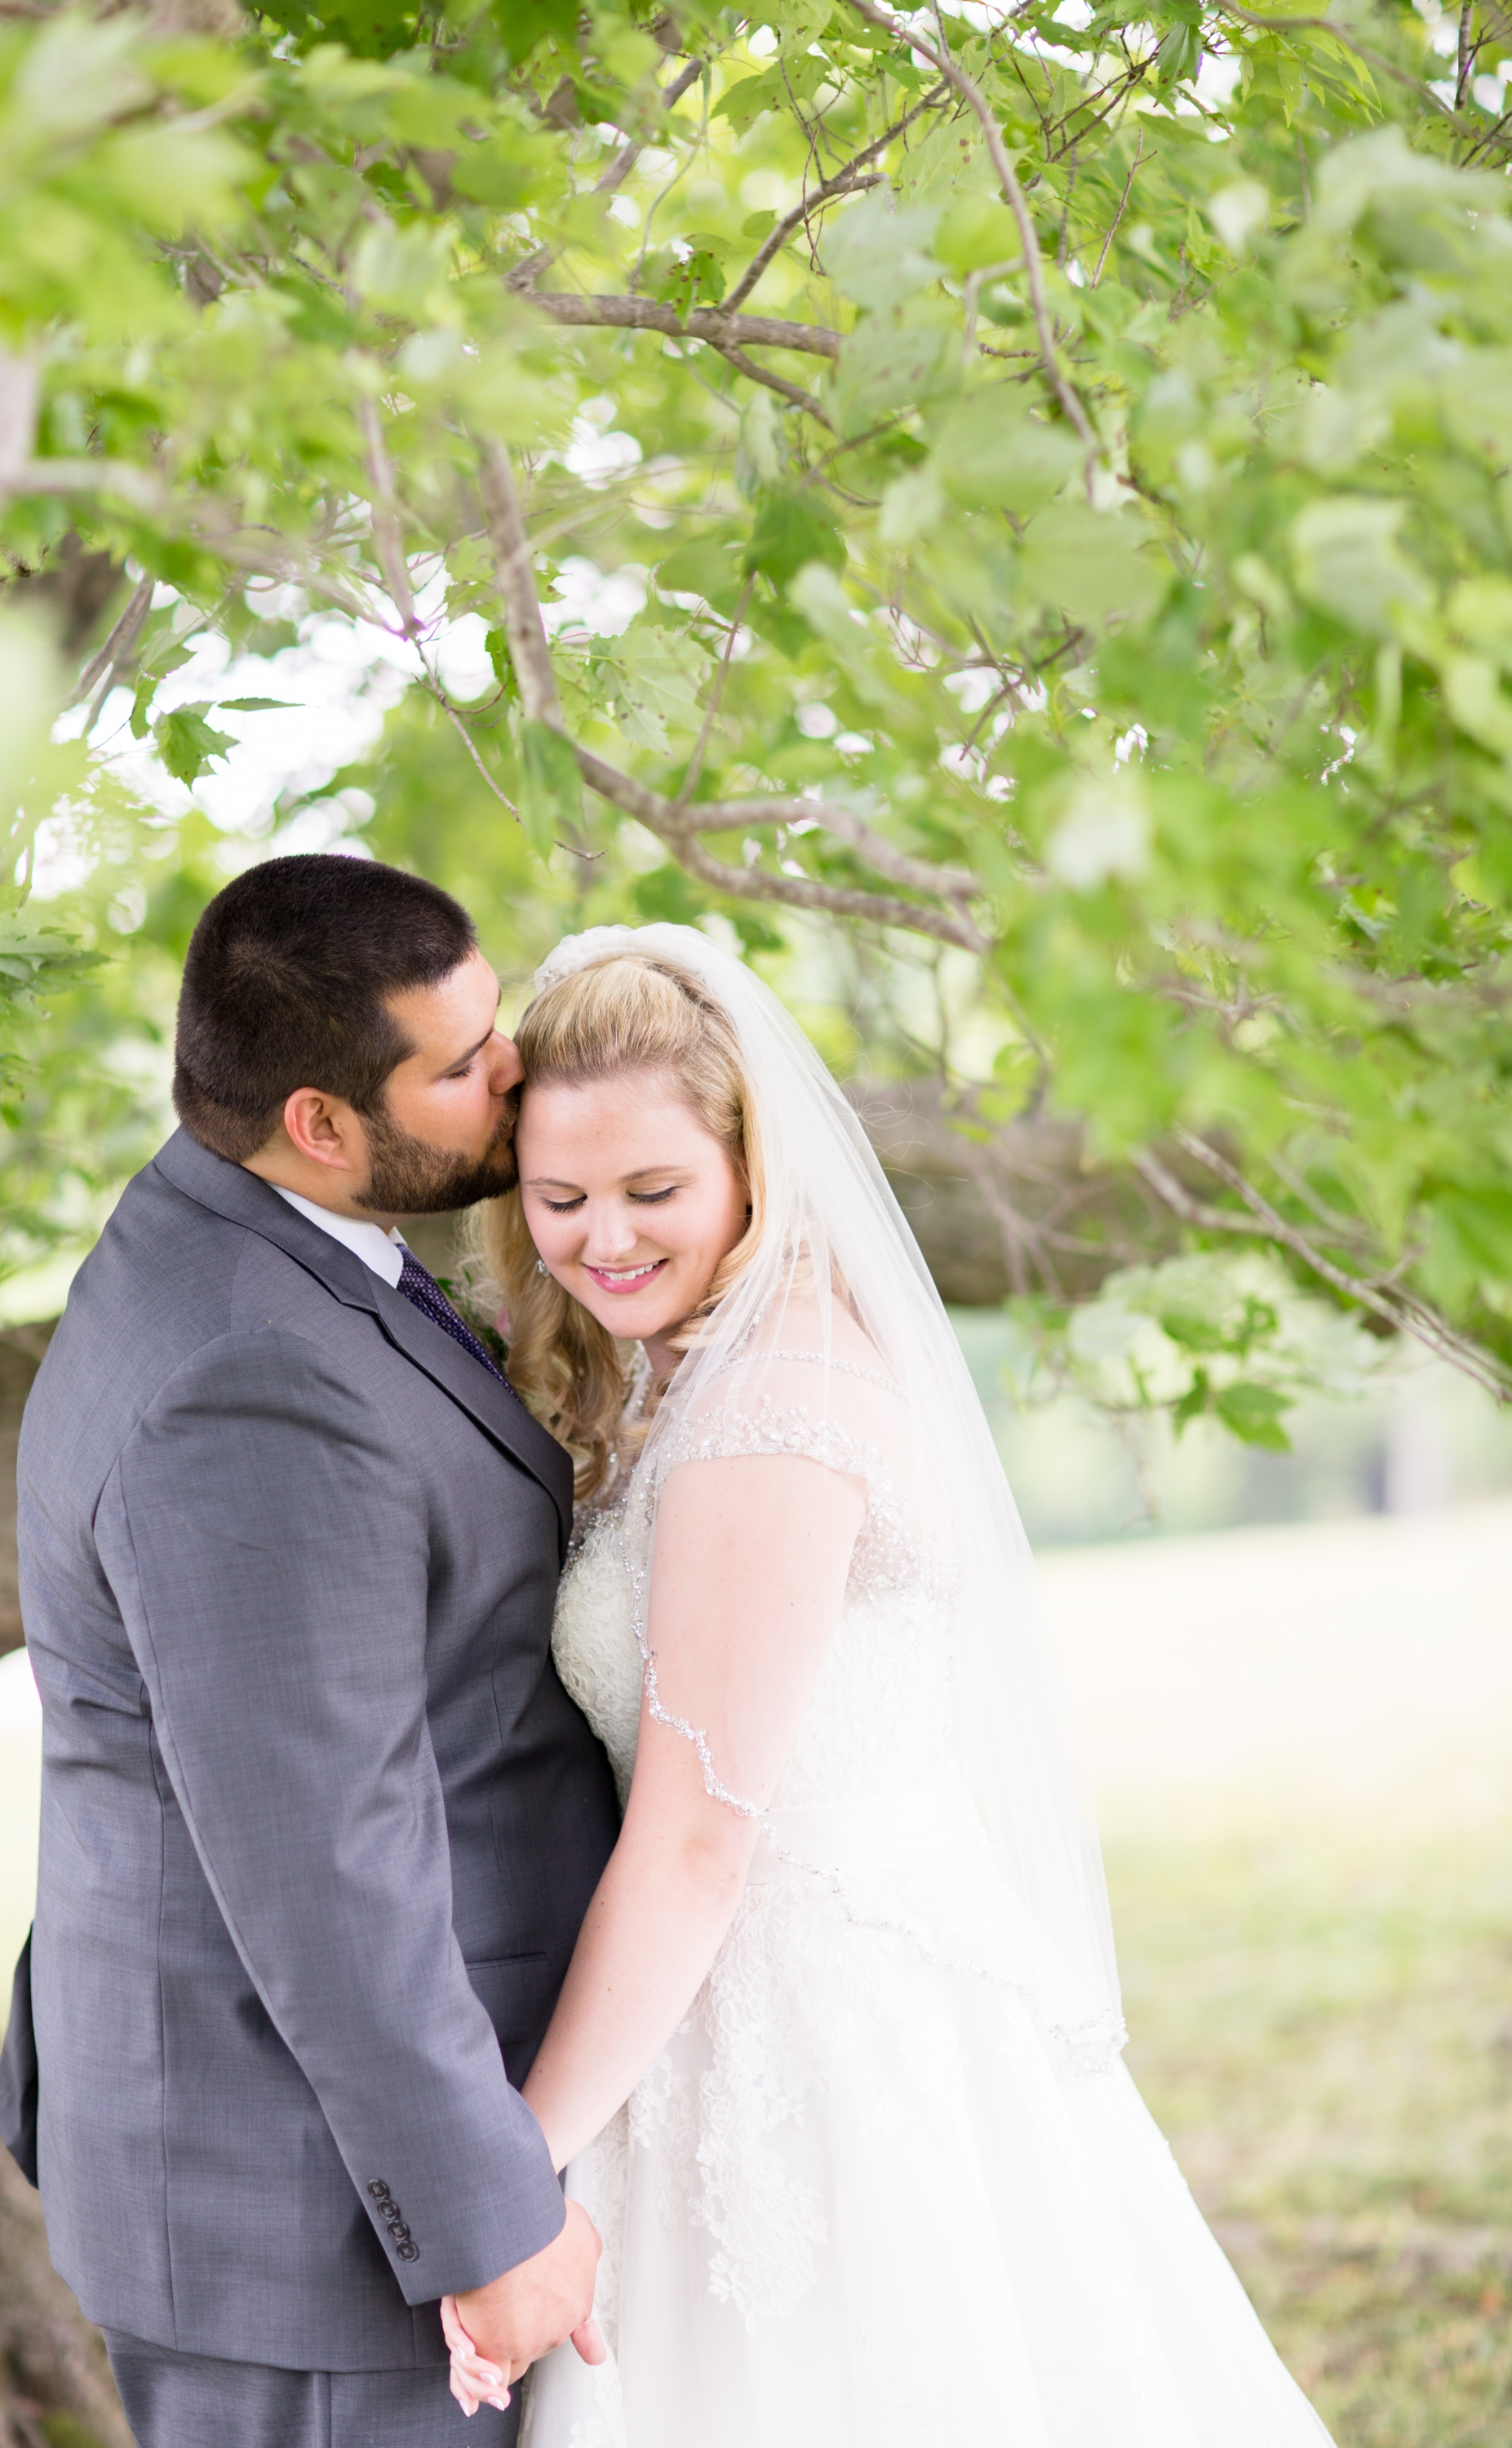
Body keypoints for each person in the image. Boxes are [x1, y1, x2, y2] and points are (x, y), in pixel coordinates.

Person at [444, 923, 1337, 2448]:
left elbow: (698, 1839)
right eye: (561, 1198)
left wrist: (506, 2188)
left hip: (817, 2043)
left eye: (654, 1192)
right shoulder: (692, 1373)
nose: (604, 1240)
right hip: (735, 2014)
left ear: (751, 1170)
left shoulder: (769, 1415)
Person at [0, 854, 620, 2448]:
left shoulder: (250, 1234)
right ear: (321, 1122)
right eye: (462, 1065)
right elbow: (323, 1855)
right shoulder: (248, 1381)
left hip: (286, 2163)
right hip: (309, 2219)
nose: (515, 1074)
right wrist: (489, 2221)